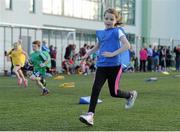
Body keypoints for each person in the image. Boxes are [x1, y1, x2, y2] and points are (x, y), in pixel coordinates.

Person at [79, 8, 137, 126]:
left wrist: (113, 54)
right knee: (95, 89)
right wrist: (87, 54)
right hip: (102, 66)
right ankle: (90, 115)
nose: (108, 21)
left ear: (116, 20)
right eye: (106, 18)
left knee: (114, 92)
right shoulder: (100, 33)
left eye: (111, 19)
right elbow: (97, 46)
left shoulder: (118, 31)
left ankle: (130, 95)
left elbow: (127, 45)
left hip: (115, 66)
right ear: (103, 19)